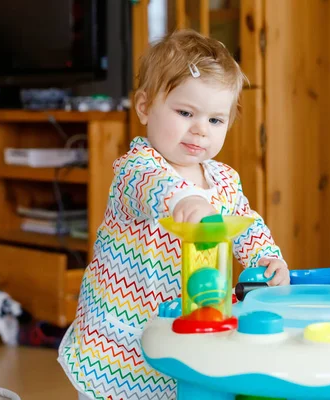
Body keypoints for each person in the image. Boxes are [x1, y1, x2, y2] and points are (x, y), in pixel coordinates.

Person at [58, 29, 290, 400]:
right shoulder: (136, 167)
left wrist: (266, 256)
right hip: (121, 335)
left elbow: (245, 223)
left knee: (182, 386)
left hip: (189, 327)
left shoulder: (224, 179)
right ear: (145, 107)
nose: (200, 129)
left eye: (216, 120)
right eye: (185, 112)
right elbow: (156, 190)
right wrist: (185, 203)